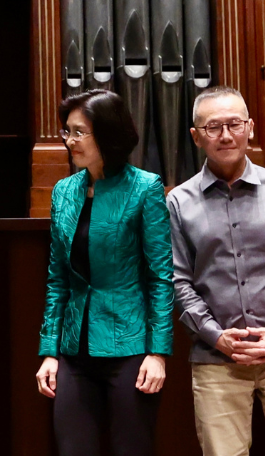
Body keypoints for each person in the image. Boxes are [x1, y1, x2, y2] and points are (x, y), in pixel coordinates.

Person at [168, 86, 265, 455]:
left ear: (250, 127)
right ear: (196, 136)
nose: (225, 135)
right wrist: (214, 335)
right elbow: (178, 279)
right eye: (213, 127)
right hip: (216, 357)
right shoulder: (178, 201)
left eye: (234, 124)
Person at [32, 89, 173, 456]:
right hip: (73, 349)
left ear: (107, 135)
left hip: (130, 349)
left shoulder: (145, 189)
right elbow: (57, 278)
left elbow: (160, 278)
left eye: (80, 132)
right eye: (67, 132)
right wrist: (49, 351)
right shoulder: (64, 191)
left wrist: (158, 353)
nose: (70, 141)